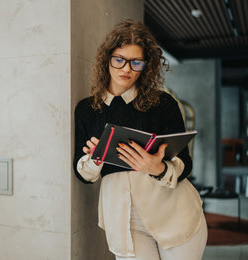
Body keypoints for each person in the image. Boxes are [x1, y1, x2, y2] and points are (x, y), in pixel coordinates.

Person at [73, 20, 207, 260]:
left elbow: (185, 162)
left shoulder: (163, 104)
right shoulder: (86, 109)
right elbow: (83, 174)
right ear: (107, 59)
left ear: (146, 66)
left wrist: (158, 168)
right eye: (119, 59)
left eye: (136, 62)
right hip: (124, 221)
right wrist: (96, 158)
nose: (127, 69)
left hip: (174, 211)